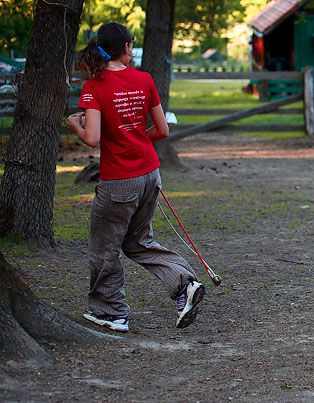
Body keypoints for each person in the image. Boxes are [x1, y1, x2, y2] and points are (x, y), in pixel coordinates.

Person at [66, 22, 204, 332]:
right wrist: (137, 138)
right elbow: (162, 130)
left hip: (119, 180)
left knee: (104, 247)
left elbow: (92, 138)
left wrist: (74, 123)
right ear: (126, 47)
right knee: (138, 241)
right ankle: (184, 284)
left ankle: (111, 312)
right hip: (150, 173)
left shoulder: (95, 86)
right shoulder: (144, 80)